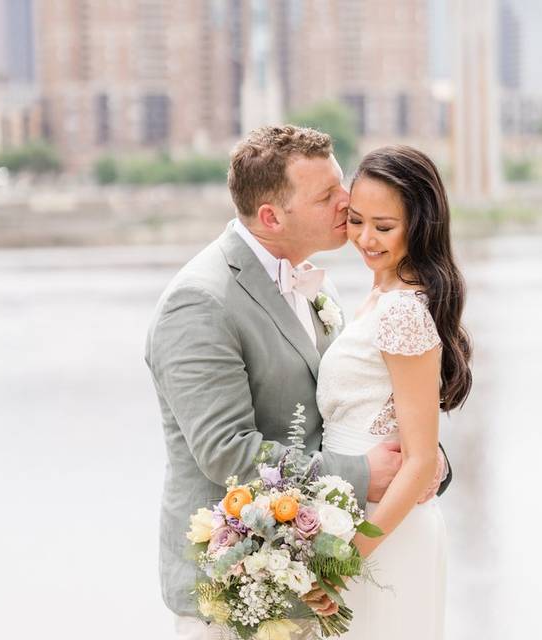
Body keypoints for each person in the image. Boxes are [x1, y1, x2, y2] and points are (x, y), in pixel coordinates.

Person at [145, 126, 451, 639]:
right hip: (236, 590)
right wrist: (361, 473)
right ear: (271, 217)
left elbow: (359, 403)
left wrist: (425, 464)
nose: (347, 200)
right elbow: (227, 453)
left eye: (341, 184)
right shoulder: (199, 301)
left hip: (321, 575)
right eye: (327, 195)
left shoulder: (317, 282)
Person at [316, 145, 472, 640]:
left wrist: (348, 558)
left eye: (384, 227)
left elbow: (422, 461)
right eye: (356, 221)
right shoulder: (375, 299)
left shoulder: (405, 310)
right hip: (351, 513)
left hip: (383, 533)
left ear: (420, 226)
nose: (365, 239)